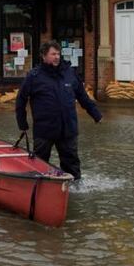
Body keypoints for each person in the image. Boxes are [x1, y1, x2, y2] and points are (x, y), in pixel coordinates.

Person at [15, 40, 102, 180]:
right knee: (40, 163)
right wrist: (22, 124)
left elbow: (82, 96)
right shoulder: (34, 76)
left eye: (58, 54)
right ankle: (39, 188)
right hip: (44, 130)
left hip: (68, 129)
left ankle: (73, 188)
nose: (56, 57)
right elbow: (21, 100)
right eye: (53, 54)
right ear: (44, 56)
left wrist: (96, 114)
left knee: (71, 163)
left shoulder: (70, 73)